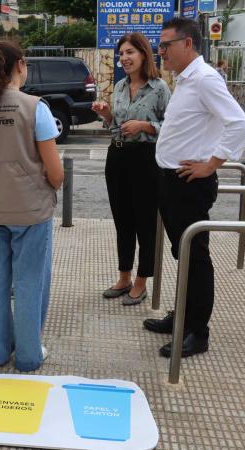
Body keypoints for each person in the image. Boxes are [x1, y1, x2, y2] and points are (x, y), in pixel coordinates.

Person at [144, 18, 245, 357]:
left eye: (166, 46)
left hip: (189, 185)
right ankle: (185, 316)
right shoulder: (186, 80)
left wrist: (212, 164)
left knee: (195, 256)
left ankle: (198, 333)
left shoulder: (205, 79)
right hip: (171, 181)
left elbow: (239, 124)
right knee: (183, 254)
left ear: (187, 43)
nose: (161, 52)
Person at [0, 41, 63, 372]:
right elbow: (57, 174)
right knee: (30, 283)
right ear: (20, 65)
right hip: (31, 212)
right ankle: (29, 356)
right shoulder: (35, 108)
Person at [92, 33, 170, 306]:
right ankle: (123, 276)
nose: (124, 58)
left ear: (144, 55)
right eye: (121, 53)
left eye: (130, 53)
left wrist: (145, 126)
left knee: (145, 223)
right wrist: (106, 115)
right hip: (117, 157)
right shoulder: (121, 86)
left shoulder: (159, 87)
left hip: (146, 160)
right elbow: (116, 124)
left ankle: (141, 281)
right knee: (122, 220)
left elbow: (170, 127)